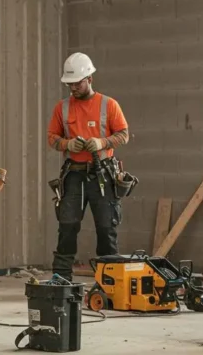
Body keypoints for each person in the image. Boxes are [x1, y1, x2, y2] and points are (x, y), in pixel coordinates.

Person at [46, 52, 129, 281]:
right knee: (68, 226)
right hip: (74, 174)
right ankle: (61, 280)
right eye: (69, 84)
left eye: (77, 83)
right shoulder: (61, 108)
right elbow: (52, 138)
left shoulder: (108, 105)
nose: (73, 88)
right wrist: (67, 143)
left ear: (89, 79)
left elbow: (123, 134)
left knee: (106, 227)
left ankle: (110, 282)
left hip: (102, 173)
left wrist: (103, 142)